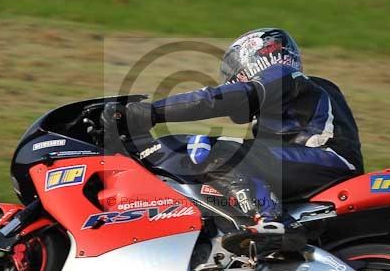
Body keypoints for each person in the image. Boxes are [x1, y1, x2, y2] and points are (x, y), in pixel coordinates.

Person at [124, 28, 364, 256]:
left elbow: (222, 99)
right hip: (316, 162)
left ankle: (273, 223)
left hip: (326, 159)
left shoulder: (282, 74)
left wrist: (151, 112)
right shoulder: (292, 94)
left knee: (217, 148)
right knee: (225, 157)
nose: (232, 79)